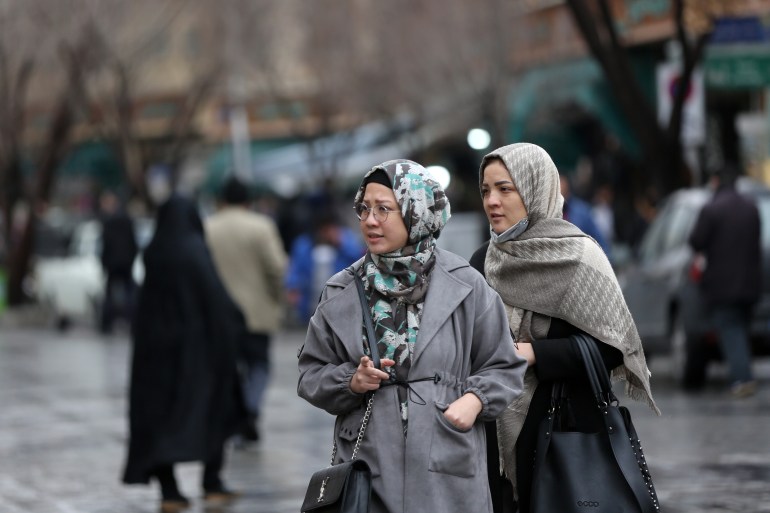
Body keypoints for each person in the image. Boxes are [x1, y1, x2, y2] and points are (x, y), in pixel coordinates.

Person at [297, 159, 526, 513]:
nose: (370, 221)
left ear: (415, 212)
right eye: (364, 209)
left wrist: (475, 399)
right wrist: (351, 382)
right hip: (368, 470)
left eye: (384, 209)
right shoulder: (341, 290)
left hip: (447, 465)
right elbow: (310, 374)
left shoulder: (467, 285)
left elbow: (505, 365)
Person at [469, 143, 659, 513]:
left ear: (535, 187)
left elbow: (611, 346)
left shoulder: (579, 258)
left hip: (563, 429)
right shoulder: (482, 262)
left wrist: (534, 353)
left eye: (505, 189)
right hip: (492, 433)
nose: (492, 200)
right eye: (486, 190)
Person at [122, 194, 247, 512]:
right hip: (198, 353)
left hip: (154, 354)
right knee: (216, 408)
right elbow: (214, 297)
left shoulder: (154, 251)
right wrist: (237, 327)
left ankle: (170, 492)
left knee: (159, 420)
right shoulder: (193, 250)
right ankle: (212, 483)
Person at [205, 176, 288, 442]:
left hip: (219, 314)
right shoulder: (261, 227)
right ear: (248, 200)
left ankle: (237, 416)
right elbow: (277, 267)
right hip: (258, 312)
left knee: (229, 369)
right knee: (258, 365)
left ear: (221, 200)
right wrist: (278, 299)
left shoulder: (208, 227)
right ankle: (250, 410)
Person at [688, 164, 761, 398]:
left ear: (716, 181)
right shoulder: (751, 208)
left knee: (731, 331)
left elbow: (696, 241)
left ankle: (742, 379)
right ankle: (743, 374)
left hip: (721, 285)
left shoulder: (711, 209)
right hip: (751, 283)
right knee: (741, 329)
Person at [285, 211, 365, 324]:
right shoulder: (304, 243)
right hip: (310, 298)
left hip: (340, 299)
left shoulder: (346, 238)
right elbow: (295, 268)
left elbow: (358, 258)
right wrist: (293, 287)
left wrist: (341, 242)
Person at [99, 190, 138, 334]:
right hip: (126, 263)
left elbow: (106, 245)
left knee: (110, 294)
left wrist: (104, 263)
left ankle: (107, 324)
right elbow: (133, 244)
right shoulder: (127, 220)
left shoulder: (108, 222)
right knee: (129, 294)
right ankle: (131, 321)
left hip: (113, 264)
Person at [560, 174, 611, 256]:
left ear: (567, 187)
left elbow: (599, 240)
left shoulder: (581, 210)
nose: (559, 188)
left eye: (561, 183)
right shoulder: (548, 209)